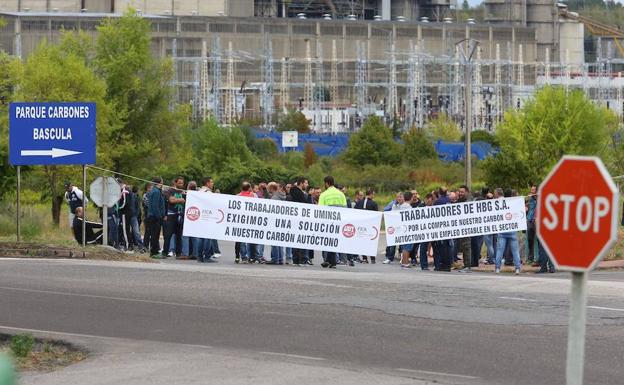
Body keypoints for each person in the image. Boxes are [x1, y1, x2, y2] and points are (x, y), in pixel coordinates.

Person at [318, 176, 347, 269]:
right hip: (338, 221)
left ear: (326, 183)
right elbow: (345, 208)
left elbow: (320, 209)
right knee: (334, 241)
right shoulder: (341, 194)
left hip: (327, 222)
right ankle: (332, 261)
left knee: (327, 242)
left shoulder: (324, 194)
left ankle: (328, 260)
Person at [495, 189, 522, 275]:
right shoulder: (514, 203)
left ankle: (497, 268)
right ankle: (517, 268)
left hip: (502, 230)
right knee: (515, 250)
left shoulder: (498, 203)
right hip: (512, 230)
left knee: (500, 250)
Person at [289, 177, 311, 266]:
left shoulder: (298, 192)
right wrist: (309, 195)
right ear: (301, 183)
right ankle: (299, 259)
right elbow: (305, 204)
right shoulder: (296, 192)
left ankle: (298, 259)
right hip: (297, 219)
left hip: (299, 219)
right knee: (298, 239)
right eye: (306, 183)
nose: (307, 185)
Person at [162, 177, 185, 258]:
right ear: (175, 183)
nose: (181, 184)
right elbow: (171, 200)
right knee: (168, 236)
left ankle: (178, 254)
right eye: (179, 183)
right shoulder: (170, 191)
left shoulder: (184, 192)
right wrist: (181, 199)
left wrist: (177, 199)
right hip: (171, 216)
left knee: (179, 236)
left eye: (182, 183)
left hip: (180, 216)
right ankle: (165, 253)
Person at [354, 188, 379, 264]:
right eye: (373, 194)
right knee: (371, 242)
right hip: (370, 226)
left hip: (361, 226)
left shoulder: (359, 202)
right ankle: (372, 258)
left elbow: (354, 212)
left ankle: (364, 258)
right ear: (370, 194)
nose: (374, 196)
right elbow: (376, 216)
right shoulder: (374, 203)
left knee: (363, 241)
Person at [432, 187, 452, 272]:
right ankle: (448, 264)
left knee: (441, 246)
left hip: (441, 226)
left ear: (439, 193)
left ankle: (443, 265)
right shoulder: (449, 200)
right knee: (448, 246)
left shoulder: (437, 202)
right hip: (449, 225)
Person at [146, 177, 166, 258]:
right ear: (159, 183)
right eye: (162, 182)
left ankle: (154, 251)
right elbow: (155, 206)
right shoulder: (156, 192)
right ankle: (154, 252)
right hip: (155, 217)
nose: (162, 184)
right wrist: (159, 216)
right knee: (155, 235)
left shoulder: (153, 191)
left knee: (154, 235)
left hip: (152, 216)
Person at [456, 185, 474, 272]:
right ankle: (466, 265)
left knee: (466, 246)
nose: (460, 193)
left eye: (462, 192)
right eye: (459, 192)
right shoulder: (459, 201)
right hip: (461, 227)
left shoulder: (470, 202)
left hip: (467, 227)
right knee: (463, 246)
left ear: (467, 192)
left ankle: (468, 266)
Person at [383, 192, 404, 264]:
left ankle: (402, 258)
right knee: (392, 244)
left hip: (403, 227)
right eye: (398, 197)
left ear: (403, 198)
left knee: (402, 244)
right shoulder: (394, 205)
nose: (399, 198)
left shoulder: (406, 205)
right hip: (395, 227)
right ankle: (390, 258)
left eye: (401, 197)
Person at [397, 191, 415, 269]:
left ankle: (404, 262)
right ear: (411, 198)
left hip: (403, 229)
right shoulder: (408, 207)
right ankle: (405, 263)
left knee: (405, 247)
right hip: (407, 229)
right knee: (407, 247)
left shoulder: (402, 206)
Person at [129, 185, 146, 253]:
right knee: (136, 231)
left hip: (132, 215)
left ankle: (135, 245)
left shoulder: (135, 196)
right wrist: (136, 214)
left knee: (134, 231)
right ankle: (139, 245)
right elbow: (138, 207)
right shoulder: (135, 196)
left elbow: (137, 207)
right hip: (133, 216)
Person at [526, 184, 538, 264]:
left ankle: (537, 259)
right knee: (530, 239)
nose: (531, 191)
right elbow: (527, 206)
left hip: (536, 220)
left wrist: (533, 196)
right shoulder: (529, 198)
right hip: (529, 219)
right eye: (531, 189)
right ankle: (530, 257)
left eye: (533, 190)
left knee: (538, 241)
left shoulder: (537, 197)